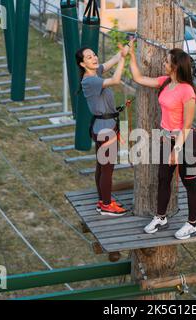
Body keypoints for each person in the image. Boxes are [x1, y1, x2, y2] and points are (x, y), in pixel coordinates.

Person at [129, 41, 196, 240]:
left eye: (167, 61)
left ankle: (193, 223)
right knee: (163, 179)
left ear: (175, 66)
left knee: (189, 182)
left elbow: (187, 125)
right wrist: (131, 55)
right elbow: (138, 78)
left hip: (184, 141)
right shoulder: (166, 82)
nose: (163, 62)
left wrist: (176, 150)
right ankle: (161, 217)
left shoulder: (187, 91)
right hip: (165, 138)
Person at [76, 42, 132, 216]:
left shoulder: (96, 72)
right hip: (105, 130)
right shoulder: (91, 80)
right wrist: (123, 57)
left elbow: (112, 61)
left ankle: (103, 200)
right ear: (82, 64)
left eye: (94, 55)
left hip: (102, 127)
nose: (94, 58)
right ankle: (106, 205)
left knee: (102, 166)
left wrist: (126, 47)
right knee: (107, 168)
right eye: (89, 57)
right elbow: (115, 80)